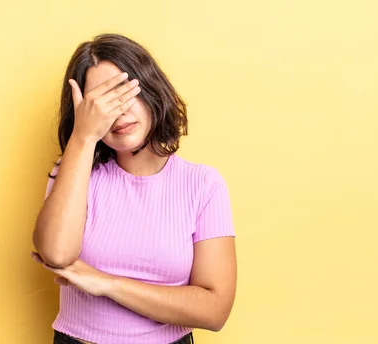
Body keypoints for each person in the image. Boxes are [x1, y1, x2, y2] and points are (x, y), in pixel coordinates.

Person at [32, 33, 237, 344]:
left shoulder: (203, 185)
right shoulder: (74, 174)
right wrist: (83, 138)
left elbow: (214, 310)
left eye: (122, 94)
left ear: (151, 89)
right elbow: (57, 253)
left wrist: (108, 284)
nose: (118, 113)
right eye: (100, 104)